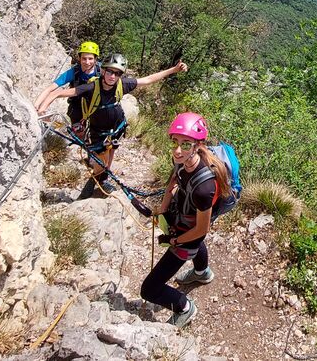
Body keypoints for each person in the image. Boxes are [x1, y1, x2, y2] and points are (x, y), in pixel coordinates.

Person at [43, 54, 188, 199]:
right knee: (101, 160)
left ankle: (102, 180)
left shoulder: (122, 84)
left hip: (117, 128)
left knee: (110, 151)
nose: (113, 76)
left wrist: (173, 70)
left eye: (117, 73)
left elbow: (148, 79)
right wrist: (42, 108)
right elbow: (60, 93)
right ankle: (94, 183)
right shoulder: (92, 87)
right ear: (103, 71)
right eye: (110, 72)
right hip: (98, 131)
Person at [139, 112, 231, 329]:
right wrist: (162, 209)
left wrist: (176, 241)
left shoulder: (203, 188)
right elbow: (174, 178)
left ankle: (184, 307)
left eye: (186, 144)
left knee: (149, 289)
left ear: (198, 145)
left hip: (188, 234)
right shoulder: (182, 159)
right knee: (197, 245)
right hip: (185, 218)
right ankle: (202, 273)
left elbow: (201, 229)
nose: (178, 150)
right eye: (175, 142)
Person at [33, 42, 102, 138]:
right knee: (79, 133)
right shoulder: (74, 72)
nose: (87, 62)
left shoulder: (101, 72)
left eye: (90, 59)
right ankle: (81, 143)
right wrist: (37, 106)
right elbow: (51, 88)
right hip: (77, 107)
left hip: (96, 105)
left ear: (95, 59)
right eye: (84, 58)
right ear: (79, 58)